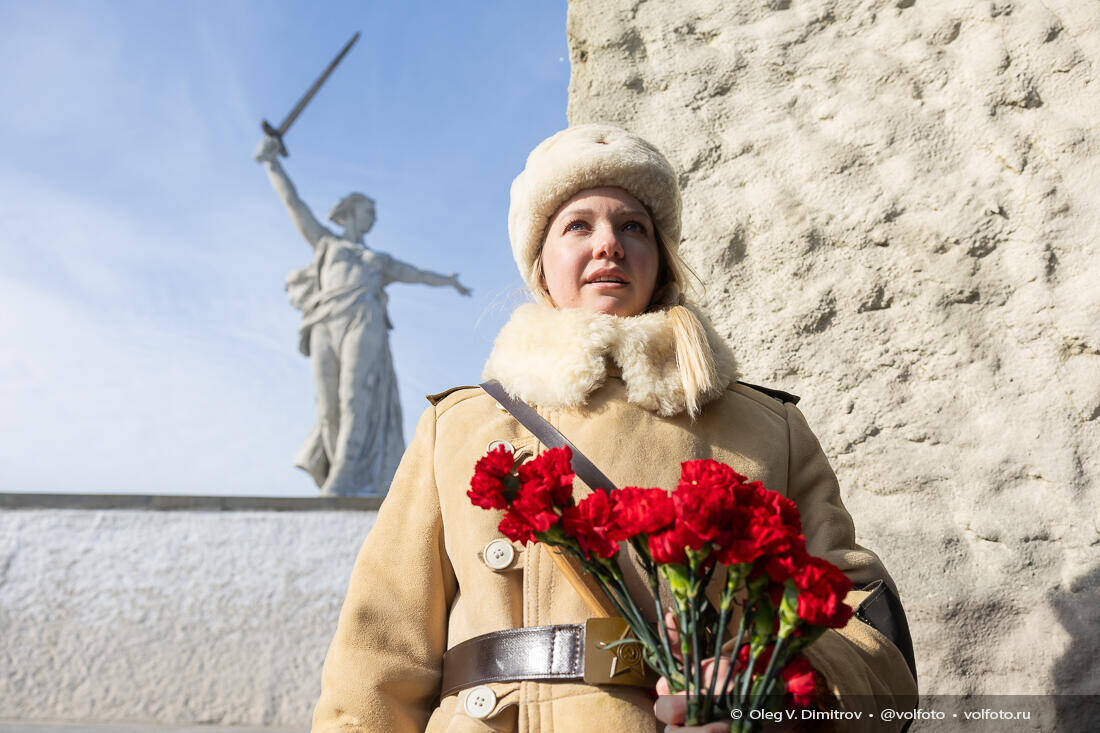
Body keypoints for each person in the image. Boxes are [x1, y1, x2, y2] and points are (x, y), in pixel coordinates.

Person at [310, 125, 918, 731]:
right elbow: (377, 656)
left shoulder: (770, 427)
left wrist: (772, 692)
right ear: (541, 266)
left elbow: (869, 644)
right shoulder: (459, 426)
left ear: (661, 260)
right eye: (578, 226)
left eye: (633, 226)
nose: (609, 245)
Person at [254, 135, 471, 496]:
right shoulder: (327, 243)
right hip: (325, 320)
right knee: (329, 404)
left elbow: (415, 273)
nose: (374, 217)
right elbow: (295, 204)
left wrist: (448, 281)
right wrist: (271, 163)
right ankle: (340, 468)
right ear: (353, 211)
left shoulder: (378, 261)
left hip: (363, 320)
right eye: (370, 211)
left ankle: (343, 475)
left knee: (356, 397)